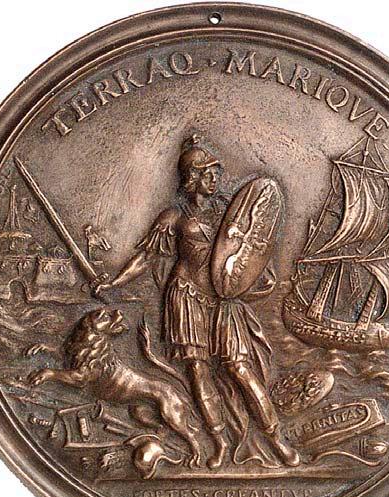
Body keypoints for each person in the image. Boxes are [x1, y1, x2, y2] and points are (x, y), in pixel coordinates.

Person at [95, 136, 299, 468]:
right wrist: (113, 282)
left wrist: (258, 277)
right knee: (198, 371)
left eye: (216, 173)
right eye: (208, 173)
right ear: (193, 177)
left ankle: (276, 439)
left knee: (240, 368)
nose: (215, 179)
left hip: (224, 299)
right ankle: (218, 442)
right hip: (186, 296)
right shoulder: (174, 216)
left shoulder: (229, 211)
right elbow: (146, 258)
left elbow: (253, 249)